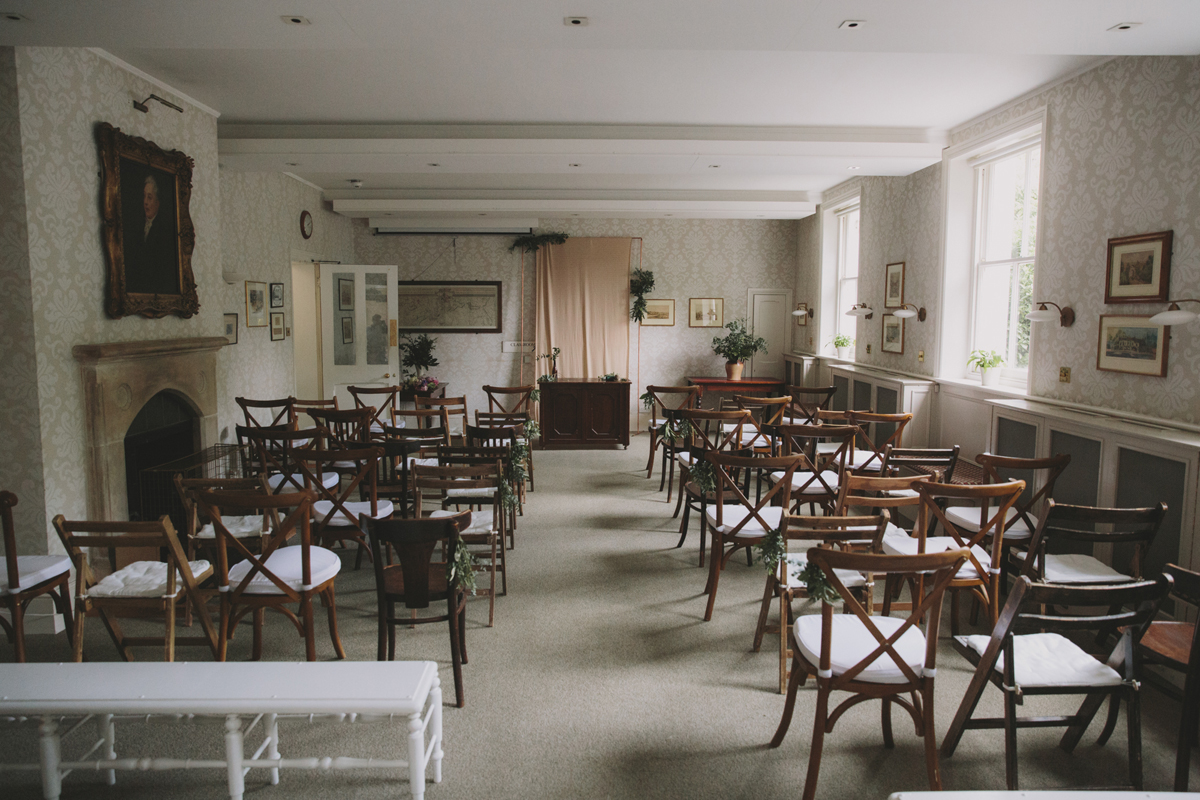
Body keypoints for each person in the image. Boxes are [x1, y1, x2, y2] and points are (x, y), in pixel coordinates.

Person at [124, 173, 179, 295]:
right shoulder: (137, 226)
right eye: (144, 196)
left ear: (158, 202)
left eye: (150, 197)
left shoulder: (164, 231)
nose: (145, 202)